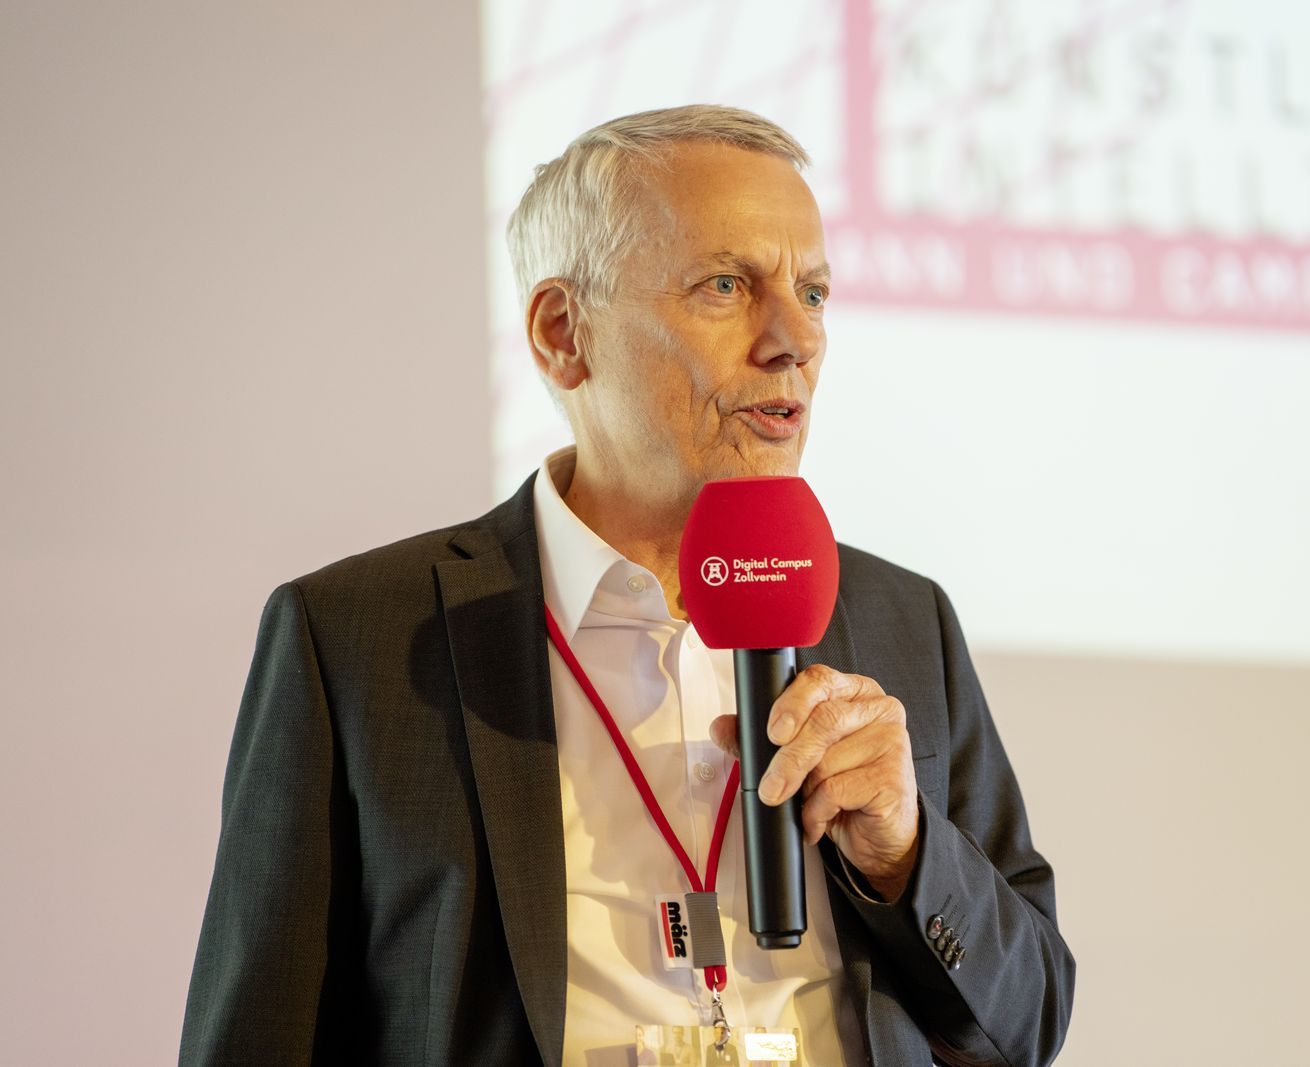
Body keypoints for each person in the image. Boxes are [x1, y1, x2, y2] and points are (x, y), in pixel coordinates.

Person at [180, 105, 1074, 1065]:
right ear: (563, 332)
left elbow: (1027, 1025)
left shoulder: (903, 617)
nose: (794, 340)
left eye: (813, 293)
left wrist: (906, 856)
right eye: (726, 285)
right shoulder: (356, 638)